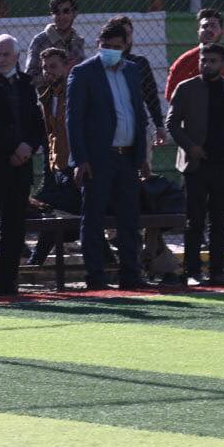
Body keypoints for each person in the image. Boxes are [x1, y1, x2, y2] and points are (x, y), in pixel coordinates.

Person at [66, 21, 150, 291]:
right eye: (106, 46)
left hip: (128, 156)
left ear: (126, 46)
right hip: (98, 158)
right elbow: (74, 120)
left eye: (117, 46)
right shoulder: (83, 72)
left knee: (129, 218)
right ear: (98, 45)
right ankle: (96, 276)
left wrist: (142, 155)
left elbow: (138, 113)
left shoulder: (132, 71)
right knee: (93, 218)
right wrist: (81, 159)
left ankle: (130, 274)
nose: (111, 51)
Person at [166, 44, 224, 285]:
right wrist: (190, 147)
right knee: (194, 220)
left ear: (223, 64)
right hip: (196, 165)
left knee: (219, 219)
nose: (207, 65)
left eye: (213, 61)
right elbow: (172, 123)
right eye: (203, 60)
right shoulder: (186, 88)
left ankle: (217, 272)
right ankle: (192, 272)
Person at [0, 35, 44, 297]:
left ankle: (7, 283)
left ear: (16, 56)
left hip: (21, 165)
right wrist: (13, 147)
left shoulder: (26, 84)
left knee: (15, 226)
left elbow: (36, 122)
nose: (0, 59)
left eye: (5, 54)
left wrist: (28, 146)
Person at [30, 46, 76, 267]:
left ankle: (35, 261)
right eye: (45, 68)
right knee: (53, 213)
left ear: (66, 67)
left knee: (56, 212)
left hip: (75, 167)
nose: (49, 72)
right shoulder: (47, 98)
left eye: (54, 67)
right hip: (57, 168)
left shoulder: (75, 94)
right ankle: (34, 261)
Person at [109, 15, 167, 146]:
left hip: (138, 128)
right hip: (110, 129)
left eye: (129, 34)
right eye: (122, 34)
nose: (126, 38)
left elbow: (151, 96)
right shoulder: (100, 65)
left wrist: (159, 125)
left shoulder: (140, 63)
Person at [164, 8, 224, 102]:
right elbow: (171, 95)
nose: (208, 29)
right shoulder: (185, 61)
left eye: (213, 26)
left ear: (221, 31)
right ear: (198, 31)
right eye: (204, 26)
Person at [24, 0, 86, 77]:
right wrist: (54, 74)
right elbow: (30, 75)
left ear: (74, 14)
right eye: (56, 12)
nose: (61, 16)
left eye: (66, 11)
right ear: (52, 15)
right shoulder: (40, 41)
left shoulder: (78, 41)